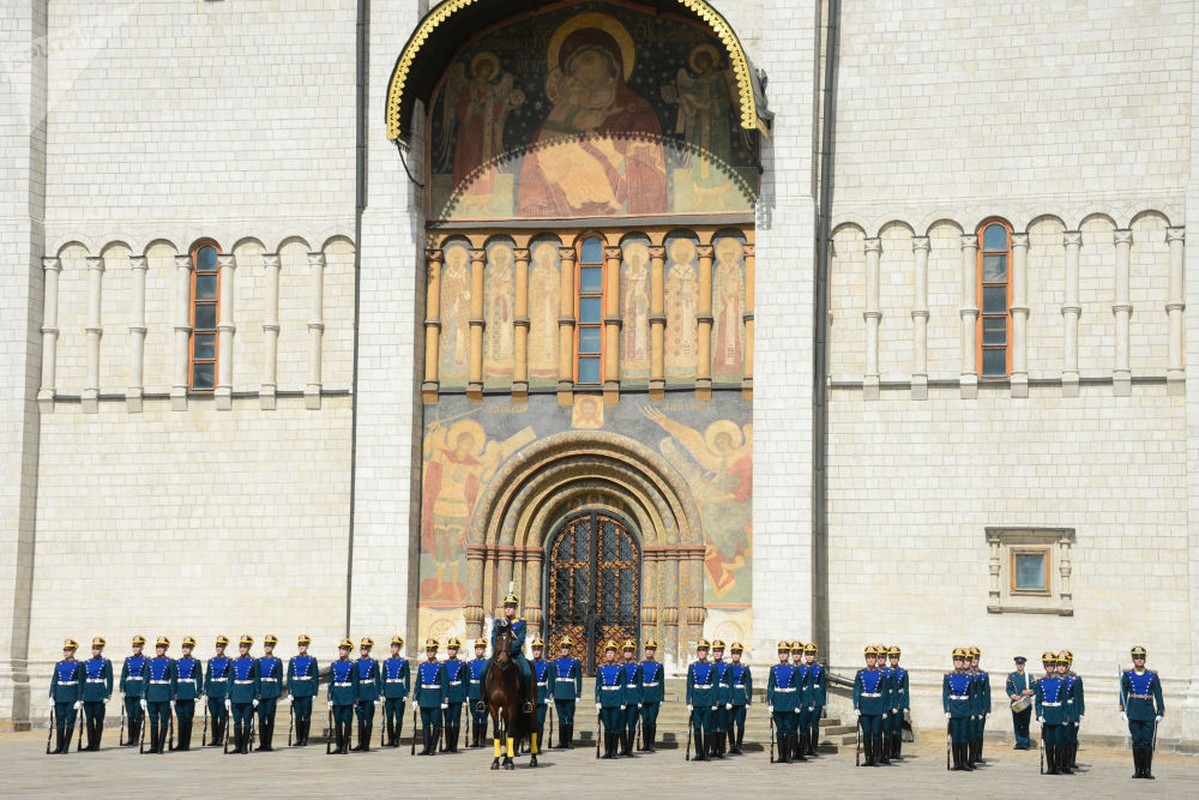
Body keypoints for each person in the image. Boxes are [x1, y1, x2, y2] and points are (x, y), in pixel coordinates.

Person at [516, 23, 667, 217]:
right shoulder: (559, 115)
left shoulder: (636, 112)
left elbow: (649, 176)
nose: (579, 71)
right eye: (572, 68)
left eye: (587, 60)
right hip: (560, 219)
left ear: (612, 65)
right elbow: (533, 173)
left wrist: (606, 158)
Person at [1120, 645, 1164, 779]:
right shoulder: (1127, 675)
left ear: (1144, 659)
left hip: (1148, 713)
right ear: (1133, 659)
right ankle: (1138, 770)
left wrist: (1160, 712)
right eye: (1136, 658)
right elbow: (1122, 693)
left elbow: (1158, 694)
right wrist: (1122, 710)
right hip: (1133, 711)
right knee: (1137, 741)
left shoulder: (1152, 676)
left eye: (1141, 658)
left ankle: (1147, 770)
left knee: (1147, 742)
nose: (1139, 660)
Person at [491, 592, 534, 711]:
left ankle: (527, 700)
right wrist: (498, 651)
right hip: (499, 654)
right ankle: (483, 699)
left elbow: (520, 640)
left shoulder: (521, 623)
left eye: (511, 607)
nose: (508, 609)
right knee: (484, 671)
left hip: (515, 654)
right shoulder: (499, 623)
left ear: (515, 608)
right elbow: (493, 638)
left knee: (527, 673)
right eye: (506, 607)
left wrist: (509, 652)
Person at [853, 645, 887, 767]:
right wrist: (856, 707)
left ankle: (876, 758)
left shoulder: (881, 674)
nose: (871, 660)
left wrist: (884, 709)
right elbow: (856, 691)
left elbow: (885, 693)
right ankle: (868, 757)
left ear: (876, 659)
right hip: (865, 706)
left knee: (877, 733)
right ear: (866, 659)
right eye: (869, 658)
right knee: (867, 732)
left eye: (873, 657)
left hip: (877, 706)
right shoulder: (860, 673)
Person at [1035, 652, 1068, 775]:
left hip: (1057, 713)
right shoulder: (1041, 682)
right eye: (1047, 665)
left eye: (1051, 665)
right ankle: (1050, 767)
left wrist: (1065, 716)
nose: (1049, 668)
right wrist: (1039, 715)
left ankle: (1058, 766)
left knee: (1058, 742)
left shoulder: (1061, 682)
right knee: (1048, 742)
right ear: (1044, 667)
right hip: (1046, 714)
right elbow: (1038, 701)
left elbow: (1064, 701)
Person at [49, 638, 83, 754]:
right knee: (59, 722)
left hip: (71, 696)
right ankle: (59, 746)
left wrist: (79, 699)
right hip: (60, 695)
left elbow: (81, 683)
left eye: (69, 650)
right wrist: (51, 696)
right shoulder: (59, 664)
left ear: (73, 651)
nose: (66, 652)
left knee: (70, 722)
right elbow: (54, 681)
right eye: (65, 650)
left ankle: (66, 747)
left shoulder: (78, 665)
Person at [766, 641, 797, 764]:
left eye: (785, 653)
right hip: (778, 701)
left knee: (788, 728)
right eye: (781, 653)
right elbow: (770, 686)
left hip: (789, 701)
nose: (783, 655)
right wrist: (770, 703)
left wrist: (797, 704)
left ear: (788, 654)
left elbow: (798, 688)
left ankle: (788, 755)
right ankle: (781, 755)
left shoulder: (793, 669)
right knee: (780, 730)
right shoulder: (774, 669)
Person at [415, 638, 447, 755]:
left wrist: (444, 700)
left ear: (436, 652)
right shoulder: (422, 666)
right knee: (425, 725)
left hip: (435, 698)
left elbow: (444, 684)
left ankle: (433, 747)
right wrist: (415, 698)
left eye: (432, 651)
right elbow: (418, 683)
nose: (430, 653)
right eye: (428, 651)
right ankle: (426, 747)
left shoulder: (441, 666)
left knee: (436, 725)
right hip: (424, 697)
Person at [143, 636, 175, 755]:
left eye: (162, 647)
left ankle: (161, 746)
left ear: (166, 648)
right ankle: (153, 746)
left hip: (164, 694)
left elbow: (174, 680)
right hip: (152, 693)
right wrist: (143, 695)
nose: (159, 649)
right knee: (153, 722)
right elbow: (146, 679)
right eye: (158, 647)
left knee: (164, 722)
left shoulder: (170, 662)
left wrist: (172, 697)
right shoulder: (150, 661)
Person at [943, 646, 974, 771]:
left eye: (961, 660)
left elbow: (971, 696)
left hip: (965, 708)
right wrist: (946, 710)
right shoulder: (948, 677)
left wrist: (972, 711)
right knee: (955, 736)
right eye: (956, 660)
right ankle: (956, 762)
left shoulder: (969, 677)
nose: (959, 663)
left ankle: (964, 762)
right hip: (954, 708)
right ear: (953, 662)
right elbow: (945, 694)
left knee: (964, 736)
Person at [80, 636, 113, 751]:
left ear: (101, 649)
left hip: (99, 693)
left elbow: (110, 679)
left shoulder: (106, 662)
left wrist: (108, 694)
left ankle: (96, 744)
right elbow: (83, 679)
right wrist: (81, 695)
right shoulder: (86, 663)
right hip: (88, 693)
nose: (95, 650)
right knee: (89, 720)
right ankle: (90, 743)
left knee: (98, 720)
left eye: (98, 648)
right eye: (93, 648)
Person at [549, 636, 582, 749]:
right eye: (563, 648)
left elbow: (579, 678)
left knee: (570, 717)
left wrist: (578, 694)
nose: (564, 650)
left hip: (569, 692)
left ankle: (569, 741)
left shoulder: (575, 662)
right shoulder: (555, 662)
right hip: (559, 691)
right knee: (561, 718)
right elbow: (552, 678)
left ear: (570, 649)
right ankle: (561, 741)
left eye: (567, 648)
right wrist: (551, 692)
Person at [226, 635, 257, 754]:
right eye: (241, 646)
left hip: (248, 694)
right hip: (236, 694)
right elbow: (230, 679)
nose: (242, 649)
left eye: (245, 646)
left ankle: (244, 746)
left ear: (249, 647)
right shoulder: (234, 662)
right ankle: (238, 746)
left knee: (247, 722)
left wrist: (256, 696)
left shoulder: (254, 662)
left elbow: (257, 680)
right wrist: (228, 696)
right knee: (237, 722)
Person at [595, 640, 626, 760]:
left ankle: (614, 751)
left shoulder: (620, 668)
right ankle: (607, 751)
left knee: (614, 726)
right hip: (605, 699)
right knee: (607, 727)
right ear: (605, 654)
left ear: (615, 654)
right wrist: (597, 701)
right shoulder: (601, 669)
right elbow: (598, 686)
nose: (610, 655)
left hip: (616, 698)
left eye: (612, 653)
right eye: (608, 653)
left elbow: (623, 686)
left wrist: (623, 701)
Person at [287, 634, 319, 747]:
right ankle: (298, 738)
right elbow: (289, 676)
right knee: (298, 715)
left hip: (307, 690)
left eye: (304, 645)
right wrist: (290, 691)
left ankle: (305, 739)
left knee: (306, 715)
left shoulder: (312, 660)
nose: (301, 646)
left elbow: (315, 677)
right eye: (300, 644)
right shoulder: (293, 660)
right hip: (296, 689)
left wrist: (315, 692)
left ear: (307, 646)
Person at [172, 636, 203, 751]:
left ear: (192, 649)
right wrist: (173, 693)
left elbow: (199, 678)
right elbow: (174, 679)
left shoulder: (195, 662)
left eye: (188, 647)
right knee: (180, 718)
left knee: (188, 718)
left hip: (189, 692)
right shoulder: (176, 662)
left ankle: (186, 744)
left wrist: (198, 692)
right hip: (179, 692)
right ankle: (180, 743)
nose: (185, 649)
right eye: (184, 647)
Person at [327, 638, 357, 754]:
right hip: (337, 695)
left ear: (349, 651)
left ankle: (345, 745)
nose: (341, 651)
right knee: (338, 722)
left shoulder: (352, 665)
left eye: (344, 649)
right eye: (340, 649)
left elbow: (355, 683)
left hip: (348, 695)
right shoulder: (334, 665)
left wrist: (355, 699)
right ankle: (338, 745)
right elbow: (331, 682)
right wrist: (329, 698)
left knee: (347, 722)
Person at [253, 634, 282, 752]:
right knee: (261, 719)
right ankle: (262, 743)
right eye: (266, 645)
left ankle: (268, 744)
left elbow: (279, 679)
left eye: (270, 645)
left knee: (270, 718)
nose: (267, 647)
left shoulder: (277, 661)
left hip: (271, 692)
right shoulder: (258, 661)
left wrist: (277, 693)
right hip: (261, 692)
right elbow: (256, 677)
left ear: (273, 647)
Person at [352, 637, 381, 752]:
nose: (363, 649)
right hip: (359, 692)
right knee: (360, 720)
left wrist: (377, 695)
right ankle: (360, 742)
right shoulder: (356, 663)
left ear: (369, 649)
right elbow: (354, 680)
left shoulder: (373, 663)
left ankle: (366, 744)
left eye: (366, 648)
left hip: (369, 692)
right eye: (362, 647)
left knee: (368, 720)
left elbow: (377, 680)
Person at [380, 635, 409, 748]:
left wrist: (406, 692)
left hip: (398, 691)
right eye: (392, 646)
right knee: (389, 717)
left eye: (396, 647)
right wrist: (382, 692)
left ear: (399, 648)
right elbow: (383, 678)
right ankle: (390, 739)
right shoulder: (387, 662)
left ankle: (397, 739)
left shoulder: (403, 662)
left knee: (398, 717)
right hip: (388, 690)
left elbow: (407, 677)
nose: (393, 649)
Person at [119, 635, 148, 747]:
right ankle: (130, 738)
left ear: (142, 647)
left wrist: (143, 693)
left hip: (139, 689)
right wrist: (122, 688)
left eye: (138, 646)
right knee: (130, 715)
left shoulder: (146, 660)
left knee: (137, 715)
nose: (135, 648)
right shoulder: (128, 660)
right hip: (129, 689)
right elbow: (123, 675)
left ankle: (136, 738)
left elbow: (145, 677)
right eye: (134, 646)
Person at [203, 635, 232, 747]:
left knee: (222, 715)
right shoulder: (211, 661)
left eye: (221, 646)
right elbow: (208, 676)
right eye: (217, 646)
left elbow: (230, 677)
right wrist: (205, 691)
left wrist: (228, 693)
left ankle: (220, 738)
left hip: (222, 689)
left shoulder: (228, 661)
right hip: (212, 690)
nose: (218, 648)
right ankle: (214, 738)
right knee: (213, 716)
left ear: (224, 647)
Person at [1059, 650, 1084, 770]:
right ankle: (1060, 762)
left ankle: (1069, 762)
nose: (1061, 667)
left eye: (1064, 664)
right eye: (1059, 664)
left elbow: (1079, 697)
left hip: (1070, 710)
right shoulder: (1054, 678)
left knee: (1070, 738)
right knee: (1060, 738)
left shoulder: (1074, 679)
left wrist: (1080, 713)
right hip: (1058, 711)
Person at [638, 638, 663, 752]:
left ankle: (651, 744)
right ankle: (645, 744)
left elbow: (661, 682)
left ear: (654, 651)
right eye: (647, 649)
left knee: (652, 720)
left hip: (654, 695)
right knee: (645, 720)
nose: (649, 652)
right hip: (643, 694)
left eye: (651, 650)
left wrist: (661, 697)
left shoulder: (658, 665)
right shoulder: (640, 665)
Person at [727, 642, 752, 755]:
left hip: (741, 696)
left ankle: (739, 745)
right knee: (729, 723)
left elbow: (749, 684)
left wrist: (748, 700)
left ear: (740, 654)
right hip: (730, 696)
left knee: (740, 723)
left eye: (737, 653)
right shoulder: (728, 667)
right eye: (734, 653)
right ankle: (732, 745)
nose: (735, 655)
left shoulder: (745, 668)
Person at [443, 636, 467, 752]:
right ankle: (448, 745)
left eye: (454, 649)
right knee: (447, 721)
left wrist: (464, 697)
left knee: (456, 721)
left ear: (457, 651)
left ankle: (454, 745)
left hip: (457, 693)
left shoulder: (461, 664)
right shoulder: (443, 664)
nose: (451, 651)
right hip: (447, 693)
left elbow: (464, 681)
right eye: (450, 649)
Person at [619, 639, 642, 756]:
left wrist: (639, 699)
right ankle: (623, 747)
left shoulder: (637, 667)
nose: (628, 653)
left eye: (630, 651)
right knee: (621, 724)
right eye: (626, 651)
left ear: (633, 653)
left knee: (632, 725)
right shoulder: (619, 666)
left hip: (633, 697)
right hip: (622, 697)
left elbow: (640, 684)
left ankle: (629, 748)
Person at [1006, 656, 1035, 750]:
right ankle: (1019, 742)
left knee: (1025, 723)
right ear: (1016, 665)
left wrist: (1028, 692)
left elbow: (1035, 688)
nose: (1020, 665)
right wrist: (1015, 696)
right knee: (1017, 723)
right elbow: (1009, 689)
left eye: (1021, 664)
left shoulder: (1029, 676)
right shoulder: (1011, 676)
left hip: (1026, 703)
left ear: (1024, 665)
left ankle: (1026, 743)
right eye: (1018, 664)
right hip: (1016, 703)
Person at [788, 640, 809, 761]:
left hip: (804, 701)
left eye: (798, 653)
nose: (796, 655)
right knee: (792, 727)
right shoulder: (789, 668)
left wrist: (810, 702)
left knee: (803, 728)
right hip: (792, 701)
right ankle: (794, 751)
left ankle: (801, 752)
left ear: (801, 654)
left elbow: (810, 687)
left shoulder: (806, 669)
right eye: (794, 653)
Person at [707, 639, 729, 759]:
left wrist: (730, 700)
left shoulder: (727, 666)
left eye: (719, 651)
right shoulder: (710, 666)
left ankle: (720, 750)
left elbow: (730, 684)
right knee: (712, 725)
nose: (717, 653)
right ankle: (712, 749)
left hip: (723, 697)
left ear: (722, 653)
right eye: (715, 651)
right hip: (712, 697)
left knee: (722, 725)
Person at [530, 637, 552, 754]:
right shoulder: (529, 664)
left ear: (542, 650)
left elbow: (551, 682)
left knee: (539, 722)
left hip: (542, 694)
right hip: (530, 695)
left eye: (538, 650)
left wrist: (548, 696)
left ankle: (537, 745)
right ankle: (531, 745)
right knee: (530, 722)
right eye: (534, 650)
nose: (536, 652)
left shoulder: (547, 664)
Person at [803, 642, 826, 756]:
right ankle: (807, 747)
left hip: (817, 698)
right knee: (806, 724)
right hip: (806, 697)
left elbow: (822, 686)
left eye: (811, 654)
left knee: (815, 724)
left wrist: (823, 702)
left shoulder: (819, 668)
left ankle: (814, 748)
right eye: (807, 654)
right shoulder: (802, 668)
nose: (809, 657)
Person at [887, 646, 909, 760]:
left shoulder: (903, 672)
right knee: (889, 728)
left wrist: (906, 705)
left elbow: (906, 690)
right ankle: (890, 751)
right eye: (891, 657)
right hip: (889, 701)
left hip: (899, 701)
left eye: (895, 657)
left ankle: (897, 752)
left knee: (897, 728)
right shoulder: (886, 671)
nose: (894, 660)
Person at [467, 638, 489, 747]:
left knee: (483, 717)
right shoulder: (470, 664)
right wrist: (467, 694)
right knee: (475, 717)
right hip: (473, 691)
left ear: (484, 650)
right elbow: (467, 679)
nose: (479, 651)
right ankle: (475, 740)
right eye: (477, 649)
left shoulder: (487, 663)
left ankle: (483, 740)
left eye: (481, 649)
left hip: (484, 692)